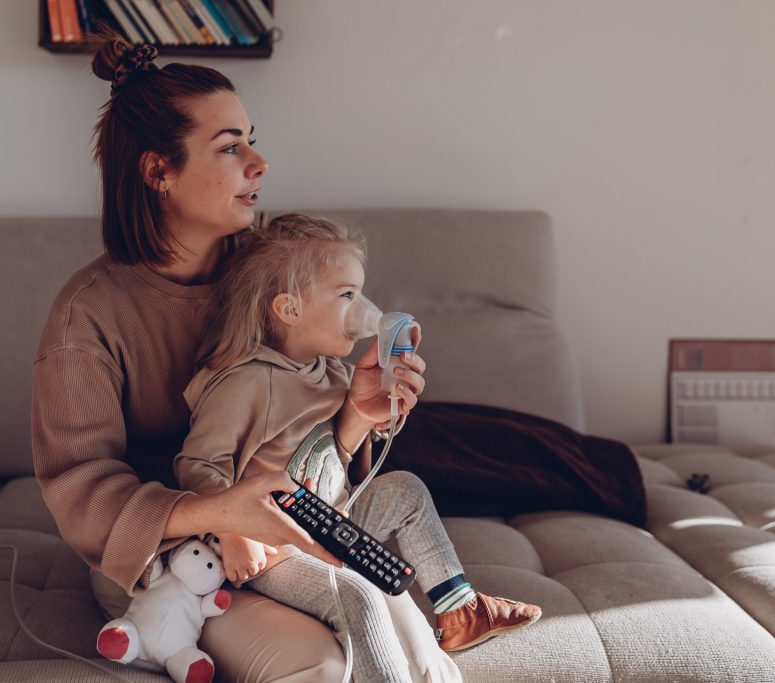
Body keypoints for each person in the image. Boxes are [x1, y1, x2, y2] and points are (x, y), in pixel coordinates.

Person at [30, 32, 363, 681]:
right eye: (231, 146)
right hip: (165, 557)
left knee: (393, 619)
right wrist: (218, 512)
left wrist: (361, 408)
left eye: (251, 138)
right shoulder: (87, 316)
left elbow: (311, 426)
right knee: (317, 667)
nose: (259, 162)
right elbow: (82, 488)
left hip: (279, 525)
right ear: (160, 171)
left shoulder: (275, 277)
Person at [175, 213, 543, 683]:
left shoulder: (333, 373)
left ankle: (460, 609)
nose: (366, 308)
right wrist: (231, 531)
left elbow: (332, 463)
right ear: (288, 309)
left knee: (405, 489)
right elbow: (197, 464)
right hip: (276, 546)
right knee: (362, 593)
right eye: (347, 295)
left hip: (329, 522)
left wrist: (361, 415)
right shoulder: (246, 383)